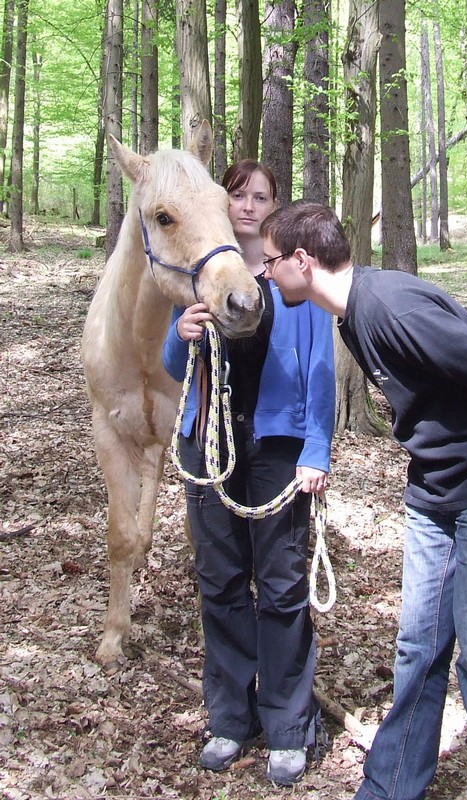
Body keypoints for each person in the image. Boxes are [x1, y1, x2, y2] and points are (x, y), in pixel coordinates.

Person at [260, 200, 467, 800]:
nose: (264, 274)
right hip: (433, 488)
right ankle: (392, 785)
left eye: (269, 262)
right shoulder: (350, 315)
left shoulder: (390, 306)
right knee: (418, 647)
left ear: (301, 260)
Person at [162, 167, 335, 786]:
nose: (248, 206)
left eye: (260, 197)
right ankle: (231, 718)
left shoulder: (292, 274)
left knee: (283, 584)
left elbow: (320, 367)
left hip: (277, 448)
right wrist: (181, 333)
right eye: (238, 195)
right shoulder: (203, 267)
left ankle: (288, 724)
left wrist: (317, 449)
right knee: (221, 581)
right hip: (209, 442)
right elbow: (173, 363)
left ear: (273, 207)